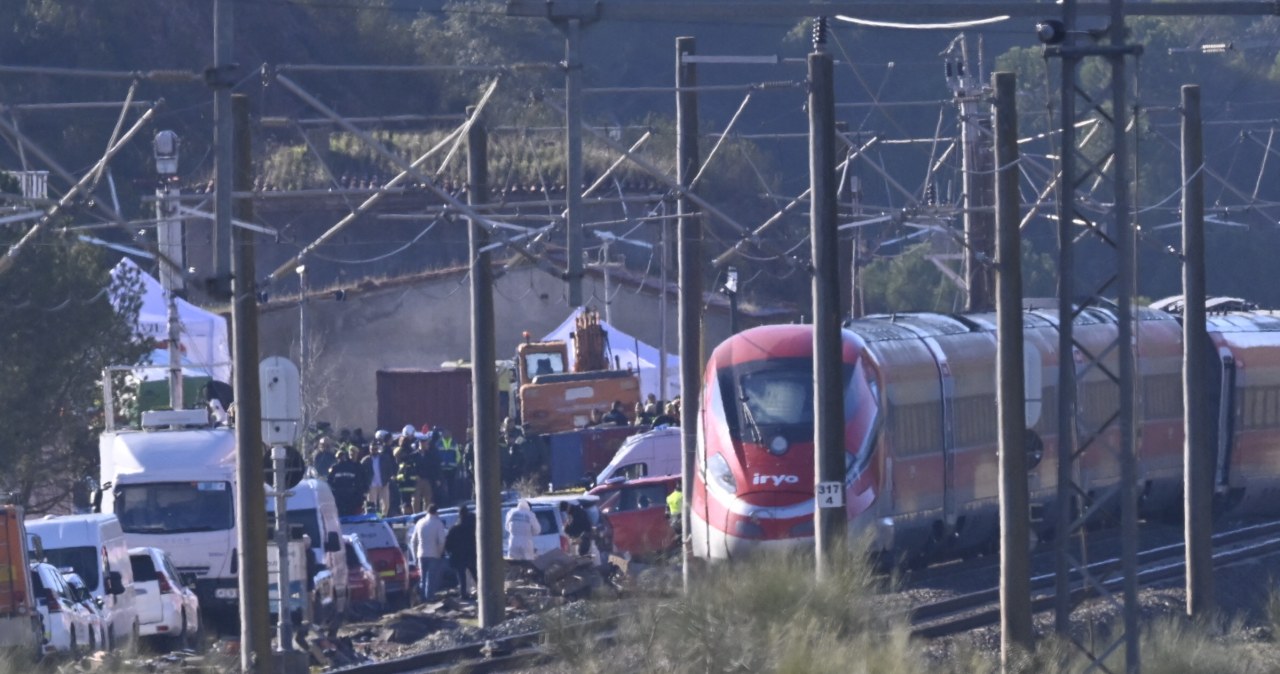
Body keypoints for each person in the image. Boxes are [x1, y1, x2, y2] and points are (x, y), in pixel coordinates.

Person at [409, 504, 448, 601]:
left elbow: (413, 540)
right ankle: (429, 599)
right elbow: (442, 541)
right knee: (431, 579)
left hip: (421, 554)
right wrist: (439, 553)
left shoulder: (420, 522)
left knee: (423, 578)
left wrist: (415, 556)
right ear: (436, 512)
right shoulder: (438, 523)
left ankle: (422, 599)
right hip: (433, 554)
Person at [444, 508, 478, 599]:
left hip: (458, 556)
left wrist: (450, 552)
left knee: (461, 576)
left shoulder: (454, 529)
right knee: (476, 574)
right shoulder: (473, 527)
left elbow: (448, 544)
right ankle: (483, 591)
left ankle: (463, 593)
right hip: (471, 554)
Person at [362, 436, 397, 516]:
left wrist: (389, 479)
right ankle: (372, 518)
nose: (373, 450)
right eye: (372, 449)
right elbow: (362, 473)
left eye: (375, 448)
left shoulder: (384, 458)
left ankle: (383, 518)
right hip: (372, 485)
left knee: (386, 504)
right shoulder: (366, 460)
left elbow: (390, 469)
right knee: (371, 504)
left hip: (383, 483)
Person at [327, 450, 366, 516]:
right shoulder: (334, 468)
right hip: (338, 496)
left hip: (350, 496)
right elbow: (329, 482)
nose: (341, 459)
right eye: (339, 457)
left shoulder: (352, 467)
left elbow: (358, 482)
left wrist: (358, 495)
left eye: (342, 457)